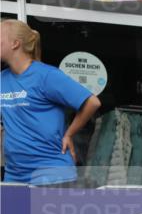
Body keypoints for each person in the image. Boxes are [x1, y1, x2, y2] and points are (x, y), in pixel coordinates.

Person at [0, 19, 101, 185]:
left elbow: (92, 102)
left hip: (51, 173)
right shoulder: (2, 79)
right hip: (15, 174)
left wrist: (69, 134)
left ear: (15, 44)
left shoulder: (46, 76)